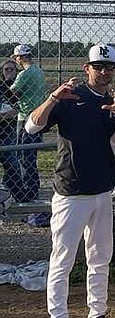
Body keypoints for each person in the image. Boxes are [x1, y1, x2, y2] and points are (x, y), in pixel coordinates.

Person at [25, 44, 115, 318]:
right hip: (70, 192)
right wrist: (54, 97)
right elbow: (32, 126)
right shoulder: (71, 97)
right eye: (99, 66)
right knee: (63, 260)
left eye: (109, 66)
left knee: (100, 258)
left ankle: (96, 317)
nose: (105, 71)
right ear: (88, 68)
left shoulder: (110, 101)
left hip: (101, 192)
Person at [11, 44, 47, 202]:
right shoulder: (38, 71)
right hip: (37, 116)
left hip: (25, 116)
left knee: (24, 155)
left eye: (16, 58)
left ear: (20, 57)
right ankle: (32, 187)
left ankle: (28, 190)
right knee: (31, 154)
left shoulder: (24, 74)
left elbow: (12, 92)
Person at [0, 60, 24, 203]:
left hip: (8, 131)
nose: (8, 72)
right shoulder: (1, 87)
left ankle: (18, 195)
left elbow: (17, 110)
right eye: (6, 69)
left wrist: (3, 116)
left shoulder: (14, 88)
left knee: (12, 163)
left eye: (11, 70)